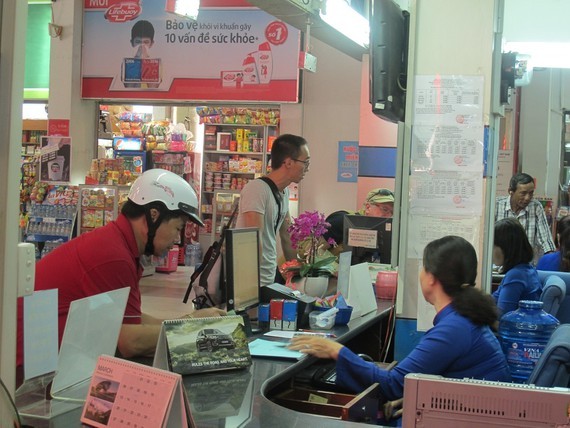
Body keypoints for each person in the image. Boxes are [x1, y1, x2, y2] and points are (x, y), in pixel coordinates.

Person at [16, 169, 224, 375]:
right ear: (154, 215)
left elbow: (128, 317)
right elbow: (129, 341)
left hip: (48, 361)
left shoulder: (118, 243)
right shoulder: (113, 254)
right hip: (31, 377)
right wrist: (194, 325)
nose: (177, 240)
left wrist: (192, 320)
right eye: (178, 228)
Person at [289, 236, 510, 412]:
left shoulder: (455, 328)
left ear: (432, 278)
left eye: (423, 267)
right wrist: (417, 399)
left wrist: (337, 351)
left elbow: (394, 384)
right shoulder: (464, 318)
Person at [236, 134, 310, 286]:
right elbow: (254, 240)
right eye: (305, 162)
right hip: (250, 278)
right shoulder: (257, 189)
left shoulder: (284, 192)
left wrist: (299, 272)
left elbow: (287, 236)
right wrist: (252, 285)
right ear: (288, 162)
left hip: (268, 273)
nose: (307, 169)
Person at [495, 173, 555, 259]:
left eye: (531, 193)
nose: (527, 198)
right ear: (510, 192)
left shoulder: (535, 207)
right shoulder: (497, 205)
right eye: (523, 193)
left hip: (526, 265)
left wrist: (550, 260)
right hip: (500, 264)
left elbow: (545, 240)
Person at [492, 217, 543, 315]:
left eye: (493, 246)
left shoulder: (516, 275)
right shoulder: (527, 270)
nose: (490, 251)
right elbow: (493, 301)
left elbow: (502, 318)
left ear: (506, 248)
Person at [324, 188, 394, 248]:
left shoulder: (383, 232)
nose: (388, 216)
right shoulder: (341, 220)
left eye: (391, 212)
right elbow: (316, 252)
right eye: (385, 209)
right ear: (368, 207)